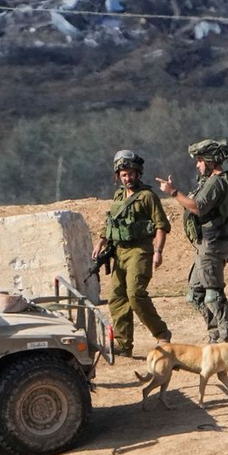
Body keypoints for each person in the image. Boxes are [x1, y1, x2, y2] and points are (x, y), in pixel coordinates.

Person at [156, 139, 228, 344]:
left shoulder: (216, 182)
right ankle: (215, 334)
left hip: (211, 244)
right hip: (211, 245)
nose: (198, 165)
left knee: (213, 293)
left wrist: (172, 192)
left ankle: (225, 339)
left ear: (210, 161)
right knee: (196, 293)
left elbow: (197, 207)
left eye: (200, 161)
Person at [92, 150, 171, 359]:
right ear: (118, 176)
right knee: (117, 297)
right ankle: (122, 343)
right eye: (124, 175)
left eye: (131, 174)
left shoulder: (147, 197)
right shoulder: (118, 195)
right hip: (119, 251)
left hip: (140, 251)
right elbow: (111, 222)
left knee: (135, 294)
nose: (128, 178)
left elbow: (162, 226)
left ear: (138, 173)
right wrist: (101, 240)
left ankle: (162, 334)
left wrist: (158, 251)